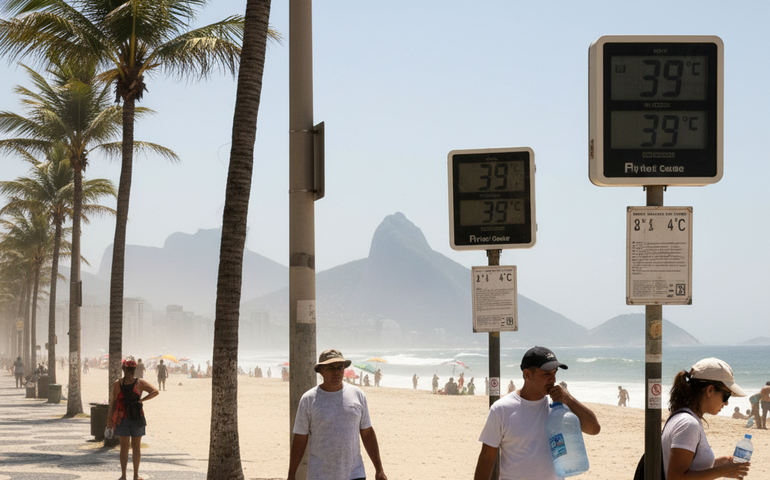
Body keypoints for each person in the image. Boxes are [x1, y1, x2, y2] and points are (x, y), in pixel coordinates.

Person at [474, 346, 601, 480]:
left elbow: (594, 428)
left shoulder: (560, 406)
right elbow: (487, 459)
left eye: (555, 373)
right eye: (546, 374)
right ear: (528, 374)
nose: (553, 379)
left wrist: (568, 399)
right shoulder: (502, 409)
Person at [288, 349, 387, 480]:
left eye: (340, 367)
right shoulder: (308, 399)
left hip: (355, 474)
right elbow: (300, 438)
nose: (336, 372)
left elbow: (367, 433)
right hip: (320, 475)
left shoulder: (357, 394)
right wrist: (291, 474)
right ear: (321, 371)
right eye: (330, 367)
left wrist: (379, 469)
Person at [662, 357, 750, 480]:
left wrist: (720, 463)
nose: (726, 403)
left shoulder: (683, 417)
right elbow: (676, 477)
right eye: (726, 396)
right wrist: (722, 471)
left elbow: (690, 466)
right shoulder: (688, 424)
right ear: (710, 390)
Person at [107, 358, 159, 480]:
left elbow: (113, 403)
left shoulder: (117, 384)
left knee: (124, 447)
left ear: (123, 369)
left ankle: (124, 475)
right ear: (134, 370)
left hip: (122, 418)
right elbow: (155, 391)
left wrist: (110, 419)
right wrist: (142, 400)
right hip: (137, 417)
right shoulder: (139, 383)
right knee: (136, 446)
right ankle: (135, 475)